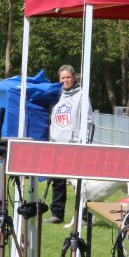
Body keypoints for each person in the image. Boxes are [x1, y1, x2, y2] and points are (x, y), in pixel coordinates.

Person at [47, 64, 87, 223]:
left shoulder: (82, 95)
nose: (65, 80)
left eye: (68, 77)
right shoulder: (56, 95)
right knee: (58, 181)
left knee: (80, 183)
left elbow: (88, 121)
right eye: (62, 78)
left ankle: (84, 216)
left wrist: (86, 143)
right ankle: (57, 214)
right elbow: (52, 120)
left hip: (75, 146)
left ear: (74, 77)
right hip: (57, 145)